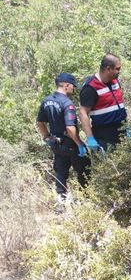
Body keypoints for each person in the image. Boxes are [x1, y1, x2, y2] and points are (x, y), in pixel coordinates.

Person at [36, 73, 90, 201]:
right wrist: (80, 144)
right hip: (70, 144)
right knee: (84, 171)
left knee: (61, 172)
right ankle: (86, 200)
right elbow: (70, 128)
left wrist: (46, 137)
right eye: (73, 86)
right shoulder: (67, 103)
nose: (74, 89)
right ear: (66, 85)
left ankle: (61, 202)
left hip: (56, 144)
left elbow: (40, 122)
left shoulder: (46, 101)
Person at [79, 53, 128, 152]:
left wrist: (127, 127)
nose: (119, 71)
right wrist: (90, 138)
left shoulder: (115, 81)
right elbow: (83, 113)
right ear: (108, 69)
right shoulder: (91, 87)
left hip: (122, 132)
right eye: (117, 69)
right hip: (104, 136)